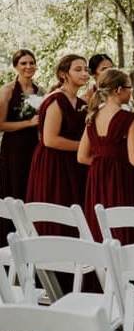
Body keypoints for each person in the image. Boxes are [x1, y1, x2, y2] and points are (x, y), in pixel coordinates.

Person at [78, 69, 134, 244]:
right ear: (118, 90)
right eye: (129, 87)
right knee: (123, 225)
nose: (131, 91)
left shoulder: (92, 117)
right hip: (122, 178)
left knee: (99, 225)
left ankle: (102, 268)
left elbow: (82, 157)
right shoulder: (129, 119)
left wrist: (102, 161)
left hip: (97, 177)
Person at [25, 54, 90, 236]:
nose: (84, 73)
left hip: (74, 163)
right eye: (78, 69)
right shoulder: (56, 100)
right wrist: (82, 147)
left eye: (85, 69)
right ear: (64, 74)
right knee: (56, 205)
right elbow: (50, 139)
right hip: (53, 164)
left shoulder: (83, 103)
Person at [0, 49, 42, 241]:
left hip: (34, 147)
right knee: (15, 189)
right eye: (24, 63)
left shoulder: (40, 90)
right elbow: (0, 125)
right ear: (16, 66)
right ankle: (11, 237)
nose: (28, 67)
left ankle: (31, 236)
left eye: (31, 63)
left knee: (30, 190)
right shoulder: (7, 91)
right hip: (14, 149)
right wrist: (28, 123)